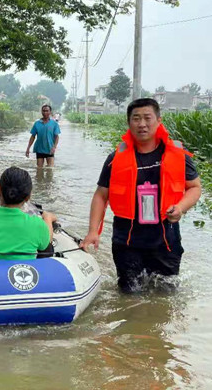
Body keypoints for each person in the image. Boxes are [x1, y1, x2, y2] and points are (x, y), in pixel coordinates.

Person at [80, 98, 201, 293]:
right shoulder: (115, 159)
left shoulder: (177, 155)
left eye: (147, 118)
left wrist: (181, 207)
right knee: (128, 297)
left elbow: (194, 187)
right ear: (129, 123)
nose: (142, 124)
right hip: (127, 241)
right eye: (136, 118)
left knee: (166, 297)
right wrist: (93, 231)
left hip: (165, 240)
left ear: (159, 120)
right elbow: (101, 195)